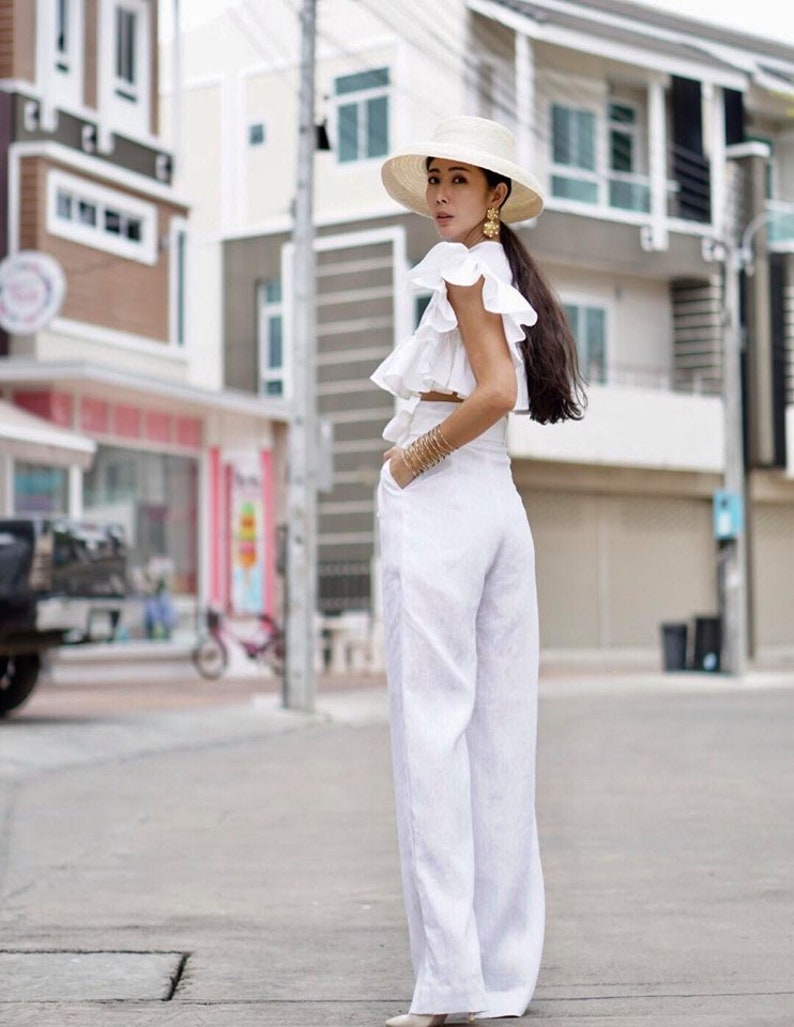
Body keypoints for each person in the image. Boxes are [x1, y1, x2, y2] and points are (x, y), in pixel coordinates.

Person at [371, 116, 585, 1027]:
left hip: (451, 496)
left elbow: (496, 389)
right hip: (499, 502)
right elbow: (505, 391)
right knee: (499, 741)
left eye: (460, 179)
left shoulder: (463, 269)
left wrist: (410, 459)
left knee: (431, 736)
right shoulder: (499, 274)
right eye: (434, 178)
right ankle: (499, 977)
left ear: (496, 195)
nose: (441, 193)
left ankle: (450, 985)